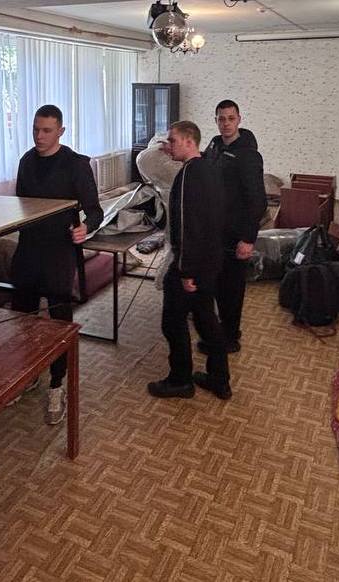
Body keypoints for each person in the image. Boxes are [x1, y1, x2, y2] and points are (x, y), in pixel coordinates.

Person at [11, 104, 103, 425]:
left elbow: (95, 211)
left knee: (58, 322)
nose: (39, 135)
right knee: (23, 319)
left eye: (47, 130)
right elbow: (20, 205)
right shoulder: (26, 161)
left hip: (58, 254)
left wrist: (85, 228)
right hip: (28, 250)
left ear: (61, 131)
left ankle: (56, 384)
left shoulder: (76, 165)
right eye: (36, 129)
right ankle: (30, 374)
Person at [149, 121, 232, 400]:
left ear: (188, 141)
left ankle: (180, 380)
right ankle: (219, 379)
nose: (168, 146)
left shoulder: (188, 175)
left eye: (172, 141)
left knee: (172, 321)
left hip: (192, 264)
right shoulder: (210, 168)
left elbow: (187, 226)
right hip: (211, 259)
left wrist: (186, 271)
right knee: (206, 319)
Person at [201, 99, 267, 354]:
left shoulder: (248, 155)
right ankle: (223, 332)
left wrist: (248, 239)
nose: (226, 123)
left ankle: (230, 339)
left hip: (236, 234)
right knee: (217, 285)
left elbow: (258, 201)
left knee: (232, 289)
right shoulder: (215, 144)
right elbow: (205, 164)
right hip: (215, 230)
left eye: (231, 118)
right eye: (221, 119)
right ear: (216, 120)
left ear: (239, 119)